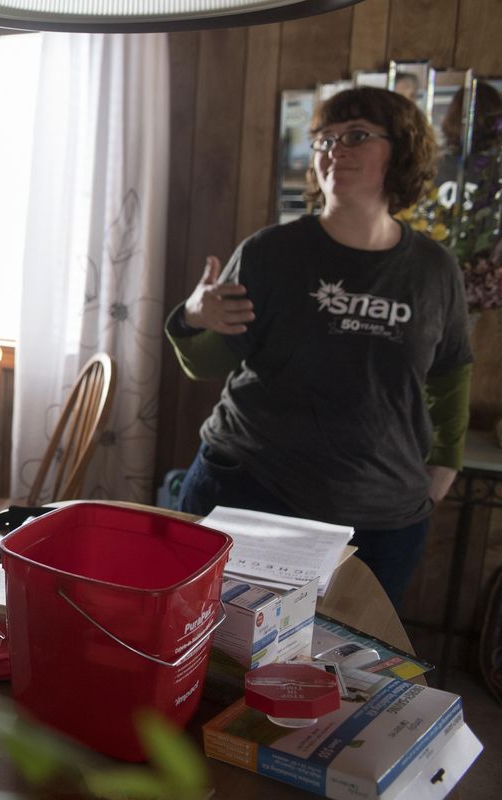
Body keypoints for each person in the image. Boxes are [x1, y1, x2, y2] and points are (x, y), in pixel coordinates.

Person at [165, 87, 473, 609]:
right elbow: (210, 362)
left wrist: (443, 467)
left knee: (348, 670)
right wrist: (193, 317)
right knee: (216, 656)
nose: (335, 150)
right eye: (324, 140)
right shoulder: (271, 252)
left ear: (401, 152)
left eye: (356, 136)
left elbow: (450, 373)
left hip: (383, 519)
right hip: (253, 490)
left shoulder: (433, 269)